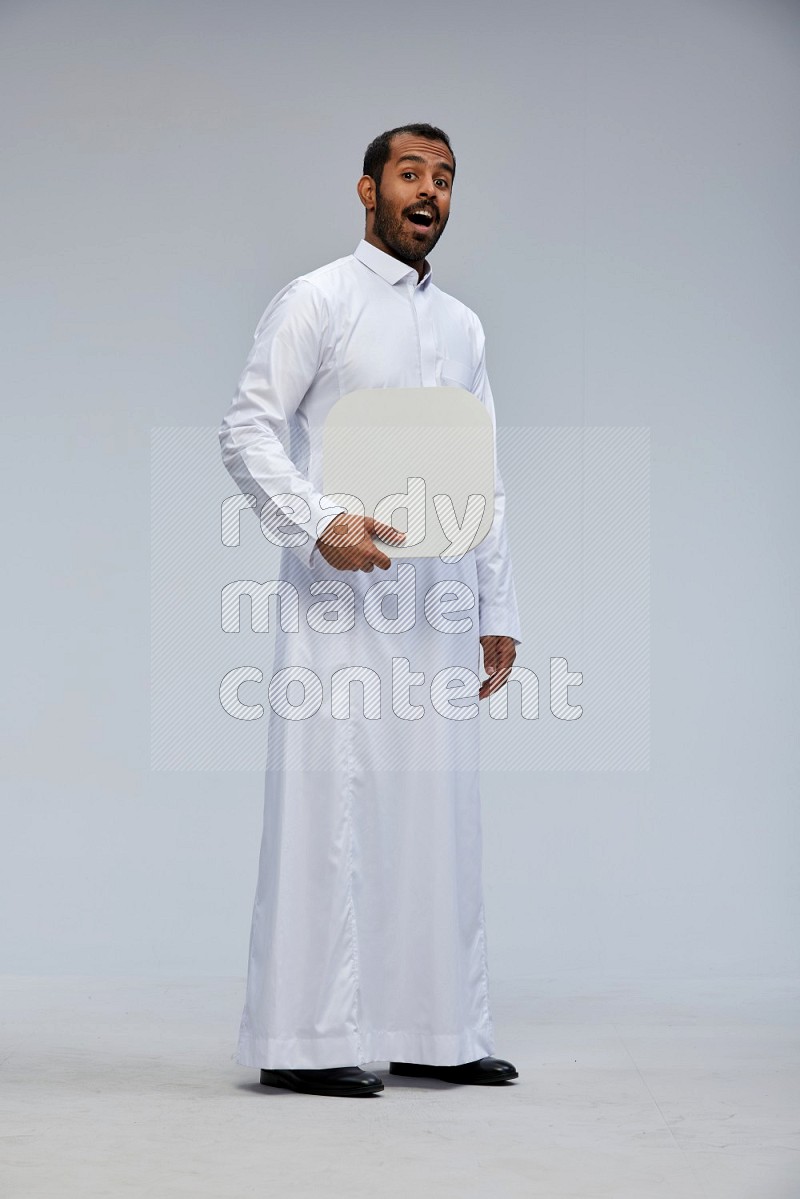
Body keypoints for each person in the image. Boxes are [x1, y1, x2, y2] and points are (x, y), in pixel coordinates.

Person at [218, 123, 523, 1098]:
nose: (427, 191)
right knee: (330, 810)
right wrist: (315, 523)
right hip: (341, 601)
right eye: (408, 173)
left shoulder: (464, 327)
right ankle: (301, 1039)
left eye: (442, 178)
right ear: (366, 189)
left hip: (434, 601)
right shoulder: (319, 299)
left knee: (440, 814)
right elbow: (247, 428)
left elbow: (485, 471)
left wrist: (495, 603)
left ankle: (436, 1026)